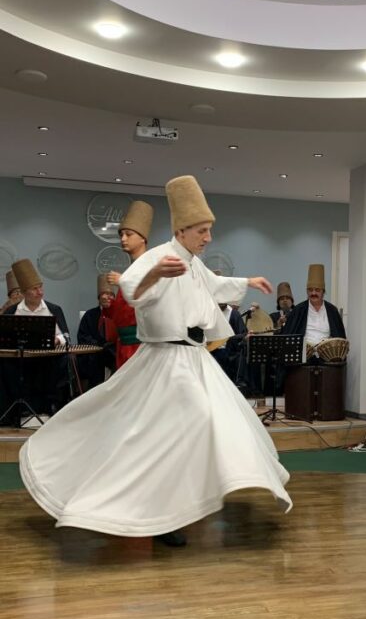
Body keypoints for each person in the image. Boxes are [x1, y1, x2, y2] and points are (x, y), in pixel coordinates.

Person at [19, 175, 292, 547]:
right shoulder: (158, 257)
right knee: (159, 434)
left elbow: (214, 284)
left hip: (193, 359)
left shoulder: (193, 262)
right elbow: (130, 289)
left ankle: (195, 495)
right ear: (182, 230)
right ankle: (157, 512)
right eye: (203, 230)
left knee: (220, 422)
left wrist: (248, 280)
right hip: (166, 360)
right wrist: (155, 273)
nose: (208, 237)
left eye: (209, 230)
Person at [0, 259, 70, 424]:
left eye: (41, 287)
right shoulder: (12, 312)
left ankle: (48, 408)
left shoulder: (53, 309)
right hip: (20, 361)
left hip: (47, 359)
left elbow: (66, 336)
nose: (40, 292)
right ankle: (15, 411)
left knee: (58, 364)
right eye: (34, 289)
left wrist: (57, 340)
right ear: (24, 292)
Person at [104, 201, 153, 369]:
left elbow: (150, 301)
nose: (123, 239)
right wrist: (109, 306)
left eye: (128, 234)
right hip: (124, 346)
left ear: (142, 238)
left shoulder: (151, 268)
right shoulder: (132, 269)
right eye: (121, 235)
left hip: (140, 347)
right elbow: (122, 314)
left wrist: (123, 282)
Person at [283, 264, 346, 347]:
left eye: (317, 290)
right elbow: (287, 336)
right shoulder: (298, 310)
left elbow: (340, 338)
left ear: (323, 292)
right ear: (307, 291)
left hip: (326, 356)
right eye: (310, 290)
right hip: (304, 355)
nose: (313, 293)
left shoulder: (332, 310)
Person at [76, 275, 118, 390]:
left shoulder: (119, 314)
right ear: (98, 297)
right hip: (95, 352)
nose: (107, 297)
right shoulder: (90, 315)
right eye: (103, 294)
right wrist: (99, 345)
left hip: (114, 351)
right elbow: (83, 337)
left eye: (110, 294)